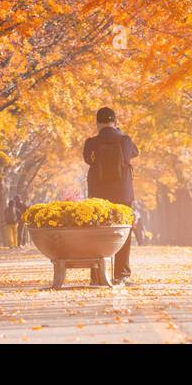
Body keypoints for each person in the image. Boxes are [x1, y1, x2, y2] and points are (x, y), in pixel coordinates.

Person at [83, 106, 138, 283]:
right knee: (123, 232)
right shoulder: (125, 140)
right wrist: (120, 133)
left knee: (97, 232)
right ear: (115, 122)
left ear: (97, 123)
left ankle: (97, 275)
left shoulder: (91, 142)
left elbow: (86, 159)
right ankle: (122, 275)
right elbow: (135, 152)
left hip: (98, 195)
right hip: (122, 194)